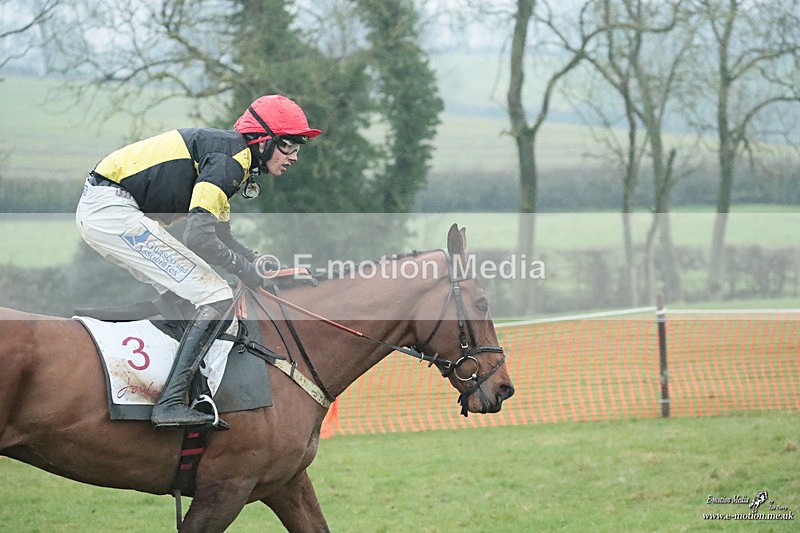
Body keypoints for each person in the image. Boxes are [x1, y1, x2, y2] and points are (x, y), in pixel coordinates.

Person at [76, 95, 321, 429]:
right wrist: (247, 272)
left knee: (185, 298)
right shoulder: (230, 160)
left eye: (298, 148)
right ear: (263, 141)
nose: (294, 157)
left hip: (109, 209)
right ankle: (171, 402)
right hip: (113, 211)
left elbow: (220, 235)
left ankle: (184, 389)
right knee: (217, 296)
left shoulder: (232, 158)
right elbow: (199, 239)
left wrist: (258, 264)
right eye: (289, 145)